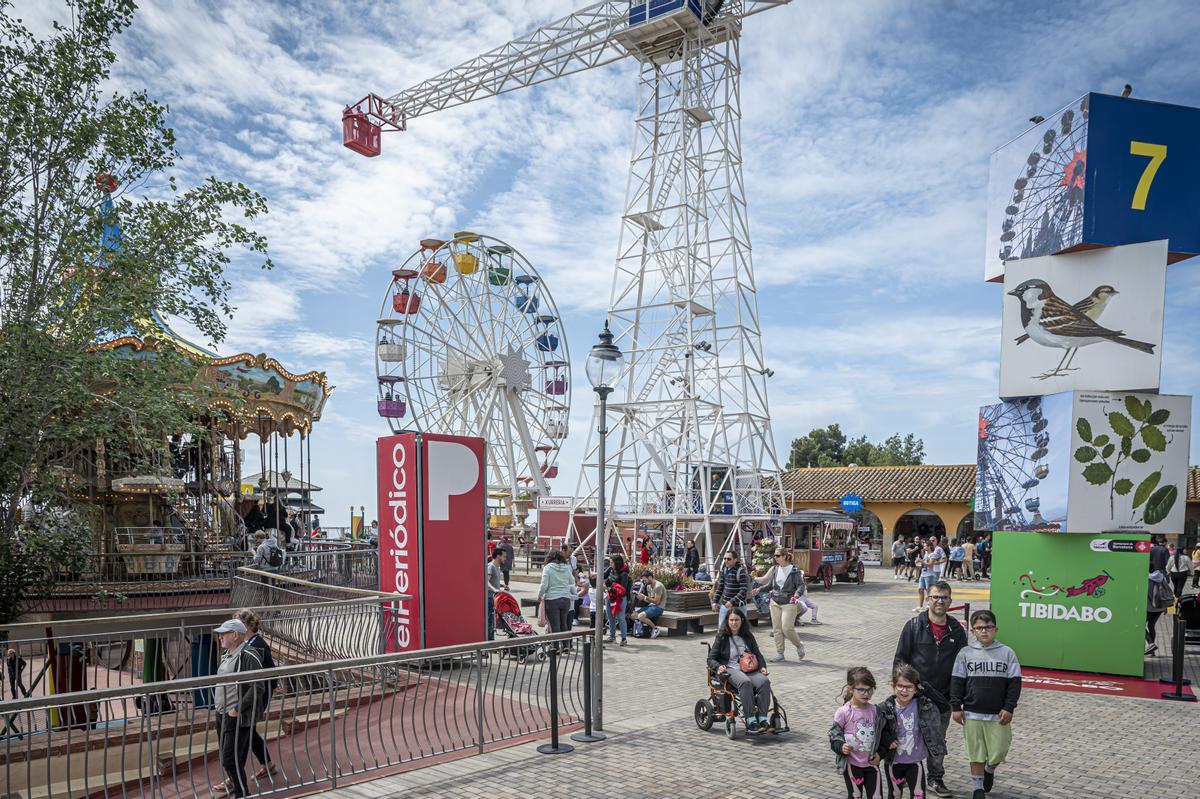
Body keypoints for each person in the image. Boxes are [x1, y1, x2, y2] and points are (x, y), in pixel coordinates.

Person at [893, 580, 967, 799]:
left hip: (942, 697)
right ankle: (906, 774)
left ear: (950, 600)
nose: (939, 601)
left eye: (944, 597)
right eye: (935, 596)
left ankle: (935, 777)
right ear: (928, 599)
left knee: (937, 740)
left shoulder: (956, 629)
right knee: (908, 736)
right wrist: (902, 690)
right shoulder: (913, 626)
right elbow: (900, 659)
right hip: (915, 695)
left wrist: (957, 699)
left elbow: (962, 665)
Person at [950, 610, 1022, 799]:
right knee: (976, 753)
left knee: (999, 750)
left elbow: (1015, 683)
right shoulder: (965, 653)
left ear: (995, 629)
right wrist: (956, 707)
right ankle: (978, 788)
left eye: (988, 627)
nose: (984, 631)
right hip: (972, 713)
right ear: (973, 631)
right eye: (980, 628)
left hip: (997, 714)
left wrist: (1009, 707)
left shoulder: (1007, 653)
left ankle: (990, 769)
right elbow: (957, 681)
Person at [211, 619, 265, 798]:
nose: (220, 637)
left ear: (235, 635)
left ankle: (242, 793)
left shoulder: (248, 655)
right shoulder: (228, 654)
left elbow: (258, 686)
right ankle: (239, 788)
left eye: (223, 633)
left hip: (236, 716)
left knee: (229, 758)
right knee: (230, 758)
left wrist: (237, 709)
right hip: (222, 714)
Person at [829, 666, 895, 799]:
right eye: (861, 690)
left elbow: (882, 736)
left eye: (870, 689)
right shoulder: (844, 712)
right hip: (852, 765)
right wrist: (841, 746)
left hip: (872, 764)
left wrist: (881, 754)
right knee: (855, 796)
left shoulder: (876, 711)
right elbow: (833, 735)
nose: (867, 693)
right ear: (850, 689)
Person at [881, 663, 945, 799]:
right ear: (893, 686)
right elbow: (880, 731)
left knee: (919, 795)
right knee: (894, 794)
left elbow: (944, 706)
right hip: (893, 762)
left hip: (915, 763)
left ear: (916, 688)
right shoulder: (885, 708)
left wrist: (925, 687)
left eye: (909, 687)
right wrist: (887, 741)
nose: (904, 691)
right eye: (900, 686)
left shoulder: (923, 705)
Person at [707, 608, 775, 732]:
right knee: (745, 683)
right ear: (727, 621)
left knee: (764, 682)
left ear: (742, 620)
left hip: (749, 668)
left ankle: (763, 719)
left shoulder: (748, 636)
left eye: (736, 620)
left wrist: (763, 667)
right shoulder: (722, 637)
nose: (734, 623)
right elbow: (711, 659)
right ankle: (751, 720)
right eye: (731, 620)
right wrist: (718, 666)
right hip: (730, 669)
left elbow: (758, 654)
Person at [235, 609, 277, 781]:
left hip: (258, 693)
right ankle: (267, 765)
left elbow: (266, 672)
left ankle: (235, 777)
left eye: (237, 624)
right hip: (256, 692)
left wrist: (271, 687)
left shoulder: (256, 645)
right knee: (248, 730)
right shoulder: (250, 643)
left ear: (245, 626)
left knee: (246, 730)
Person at [751, 547, 806, 661]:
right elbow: (771, 585)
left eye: (778, 556)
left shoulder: (794, 570)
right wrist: (759, 589)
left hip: (789, 602)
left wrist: (796, 595)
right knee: (777, 629)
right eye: (774, 556)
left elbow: (801, 585)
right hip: (775, 601)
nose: (775, 558)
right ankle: (780, 653)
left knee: (787, 628)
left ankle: (799, 645)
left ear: (785, 556)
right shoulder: (775, 569)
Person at [538, 550, 575, 633]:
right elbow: (572, 581)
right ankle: (566, 645)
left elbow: (544, 585)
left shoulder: (547, 568)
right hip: (565, 599)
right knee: (564, 624)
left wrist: (539, 595)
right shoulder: (566, 567)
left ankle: (555, 646)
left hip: (552, 599)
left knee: (555, 626)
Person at [710, 550, 750, 628]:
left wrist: (732, 601)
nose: (726, 561)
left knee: (740, 631)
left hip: (738, 607)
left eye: (729, 559)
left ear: (735, 560)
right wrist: (715, 601)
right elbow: (720, 588)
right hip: (725, 606)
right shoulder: (724, 570)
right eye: (725, 558)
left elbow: (743, 590)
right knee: (722, 630)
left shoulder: (740, 572)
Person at [604, 554, 632, 646]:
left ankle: (624, 639)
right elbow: (603, 575)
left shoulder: (624, 574)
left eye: (612, 562)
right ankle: (612, 637)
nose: (610, 564)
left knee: (621, 618)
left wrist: (610, 589)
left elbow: (622, 590)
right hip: (610, 597)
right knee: (610, 617)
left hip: (620, 599)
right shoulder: (611, 569)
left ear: (617, 563)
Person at [634, 569, 667, 638]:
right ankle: (643, 629)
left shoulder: (658, 586)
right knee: (633, 615)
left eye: (645, 580)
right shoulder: (648, 586)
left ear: (650, 577)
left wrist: (645, 597)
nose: (644, 582)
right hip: (651, 606)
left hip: (659, 608)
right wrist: (642, 598)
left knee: (640, 616)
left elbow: (657, 602)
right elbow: (650, 600)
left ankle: (655, 629)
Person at [485, 548, 506, 641]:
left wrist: (502, 585)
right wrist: (495, 589)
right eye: (504, 556)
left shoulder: (497, 567)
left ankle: (491, 641)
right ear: (498, 556)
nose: (505, 558)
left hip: (494, 597)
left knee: (492, 621)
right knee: (490, 621)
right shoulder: (491, 566)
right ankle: (490, 643)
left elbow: (493, 581)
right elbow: (486, 581)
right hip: (489, 598)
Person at [914, 542, 937, 613]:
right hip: (923, 574)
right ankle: (920, 606)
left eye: (925, 546)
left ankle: (929, 604)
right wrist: (919, 562)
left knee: (928, 591)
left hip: (929, 575)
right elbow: (923, 562)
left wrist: (921, 561)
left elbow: (930, 565)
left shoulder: (933, 555)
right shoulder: (926, 554)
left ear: (929, 547)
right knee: (920, 590)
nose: (924, 548)